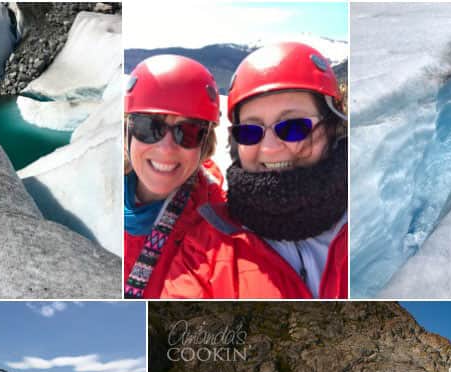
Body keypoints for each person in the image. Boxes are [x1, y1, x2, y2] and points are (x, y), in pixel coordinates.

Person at [162, 41, 348, 299]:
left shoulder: (373, 211)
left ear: (331, 128)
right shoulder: (202, 254)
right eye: (250, 131)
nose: (270, 148)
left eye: (293, 127)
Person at [124, 55, 224, 298]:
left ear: (204, 143)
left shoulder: (217, 225)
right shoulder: (93, 190)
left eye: (187, 132)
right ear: (127, 131)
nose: (166, 149)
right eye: (150, 127)